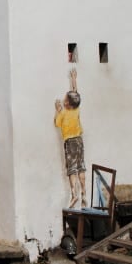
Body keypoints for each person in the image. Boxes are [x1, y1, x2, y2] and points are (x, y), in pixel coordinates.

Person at [54, 68, 86, 208]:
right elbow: (76, 93)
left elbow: (56, 123)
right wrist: (74, 79)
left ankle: (74, 194)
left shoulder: (64, 112)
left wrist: (58, 110)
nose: (63, 98)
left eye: (65, 98)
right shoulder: (76, 109)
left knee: (72, 169)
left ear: (67, 103)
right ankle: (84, 192)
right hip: (79, 140)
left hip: (70, 142)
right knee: (81, 166)